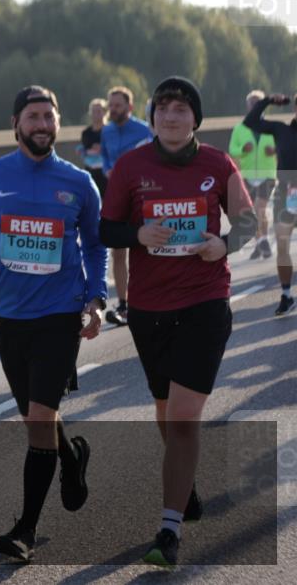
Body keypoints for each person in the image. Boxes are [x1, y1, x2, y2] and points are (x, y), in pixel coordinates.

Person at [100, 77, 256, 567]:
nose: (172, 116)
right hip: (149, 309)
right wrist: (138, 232)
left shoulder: (217, 164)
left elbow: (249, 221)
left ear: (196, 119)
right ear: (152, 117)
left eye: (182, 109)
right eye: (163, 109)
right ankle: (183, 486)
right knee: (167, 412)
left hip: (205, 302)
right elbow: (106, 229)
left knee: (184, 415)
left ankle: (168, 530)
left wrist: (224, 245)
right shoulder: (130, 167)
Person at [0, 86, 105, 562]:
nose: (41, 125)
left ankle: (25, 531)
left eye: (49, 117)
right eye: (33, 117)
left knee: (39, 418)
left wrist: (96, 299)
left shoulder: (79, 182)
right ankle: (71, 457)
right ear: (16, 124)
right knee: (37, 417)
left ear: (59, 124)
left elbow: (96, 246)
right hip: (9, 318)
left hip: (60, 315)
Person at [101, 86, 153, 326]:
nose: (113, 110)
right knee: (117, 251)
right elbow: (104, 159)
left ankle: (146, 300)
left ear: (129, 107)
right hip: (116, 196)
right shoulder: (107, 131)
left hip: (141, 197)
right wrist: (108, 169)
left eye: (118, 105)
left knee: (143, 249)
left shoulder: (145, 129)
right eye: (110, 105)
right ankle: (123, 304)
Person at [242, 91, 297, 315]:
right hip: (286, 197)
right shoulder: (281, 130)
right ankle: (286, 294)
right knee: (282, 247)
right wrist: (268, 101)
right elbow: (251, 121)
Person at [229, 90, 277, 260]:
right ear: (248, 106)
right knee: (252, 212)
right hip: (247, 175)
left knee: (260, 208)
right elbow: (232, 149)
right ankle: (260, 242)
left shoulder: (272, 126)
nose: (255, 106)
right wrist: (243, 150)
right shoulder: (240, 128)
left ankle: (262, 240)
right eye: (252, 103)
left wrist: (275, 150)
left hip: (268, 173)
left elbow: (284, 145)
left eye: (259, 103)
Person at [78, 98, 108, 196]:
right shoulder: (86, 133)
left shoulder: (110, 131)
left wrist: (102, 149)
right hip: (90, 173)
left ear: (104, 112)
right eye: (93, 111)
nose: (96, 114)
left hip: (107, 175)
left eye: (99, 111)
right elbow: (84, 151)